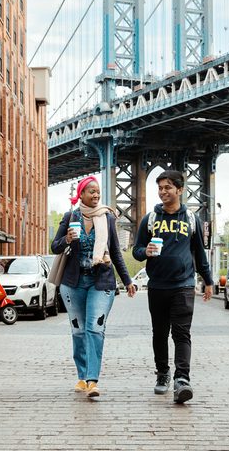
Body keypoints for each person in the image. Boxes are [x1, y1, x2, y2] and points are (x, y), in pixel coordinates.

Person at [51, 176, 136, 399]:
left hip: (101, 281)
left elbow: (115, 251)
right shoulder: (71, 216)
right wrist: (68, 239)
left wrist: (127, 281)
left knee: (95, 329)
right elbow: (54, 246)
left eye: (98, 191)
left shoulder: (107, 217)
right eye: (91, 191)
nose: (96, 195)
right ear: (81, 194)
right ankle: (82, 375)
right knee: (79, 331)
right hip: (73, 283)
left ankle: (92, 380)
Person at [132, 170, 214, 404]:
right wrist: (144, 251)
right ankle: (162, 374)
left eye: (167, 187)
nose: (163, 192)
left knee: (181, 333)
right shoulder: (150, 219)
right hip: (157, 285)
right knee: (159, 333)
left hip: (184, 285)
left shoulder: (191, 219)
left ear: (179, 190)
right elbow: (137, 251)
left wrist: (207, 280)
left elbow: (199, 253)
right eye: (160, 188)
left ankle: (182, 379)